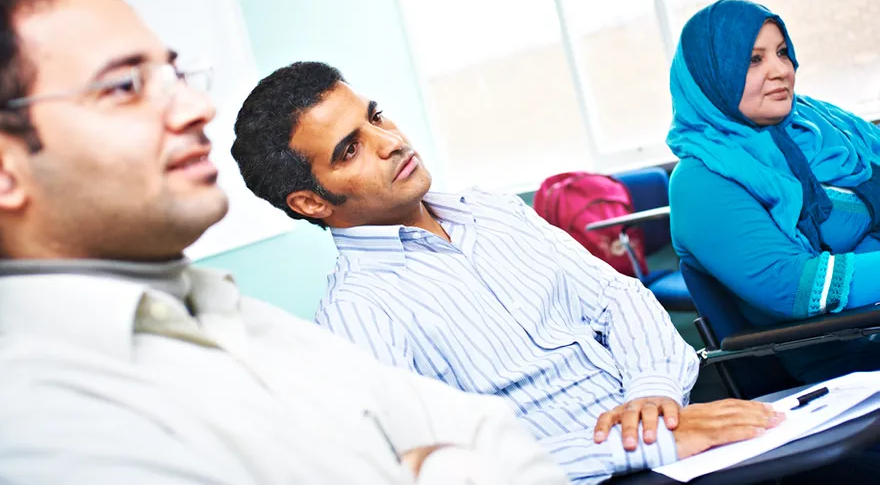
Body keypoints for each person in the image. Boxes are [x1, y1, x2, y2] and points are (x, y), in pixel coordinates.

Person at [0, 0, 577, 484]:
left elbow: (500, 437)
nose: (198, 109)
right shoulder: (22, 425)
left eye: (175, 74)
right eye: (122, 87)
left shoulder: (247, 321)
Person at [231, 61, 785, 483]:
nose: (391, 142)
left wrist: (654, 396)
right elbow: (452, 469)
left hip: (679, 432)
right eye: (351, 149)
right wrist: (639, 443)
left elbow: (620, 300)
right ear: (311, 202)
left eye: (376, 117)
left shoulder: (492, 210)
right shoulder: (356, 316)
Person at [666, 0, 880, 384]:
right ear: (712, 75)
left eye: (782, 53)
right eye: (753, 59)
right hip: (841, 356)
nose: (781, 70)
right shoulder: (700, 181)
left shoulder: (814, 127)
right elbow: (792, 285)